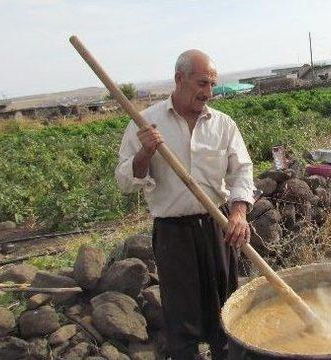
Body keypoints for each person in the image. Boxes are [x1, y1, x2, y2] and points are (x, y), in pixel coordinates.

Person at [115, 49, 255, 360]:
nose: (209, 92)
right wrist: (145, 153)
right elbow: (125, 181)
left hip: (218, 227)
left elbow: (242, 170)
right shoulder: (146, 123)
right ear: (180, 79)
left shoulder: (223, 124)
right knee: (182, 322)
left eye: (212, 84)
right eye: (202, 83)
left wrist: (239, 212)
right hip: (173, 233)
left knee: (228, 316)